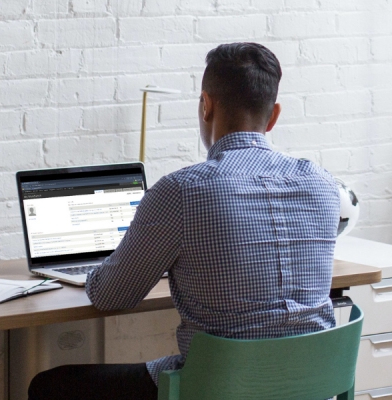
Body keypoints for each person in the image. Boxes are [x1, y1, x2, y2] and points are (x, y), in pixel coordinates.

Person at [28, 42, 340, 400]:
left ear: (206, 106)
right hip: (313, 387)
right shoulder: (323, 184)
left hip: (218, 388)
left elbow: (110, 295)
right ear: (274, 116)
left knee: (50, 386)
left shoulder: (182, 191)